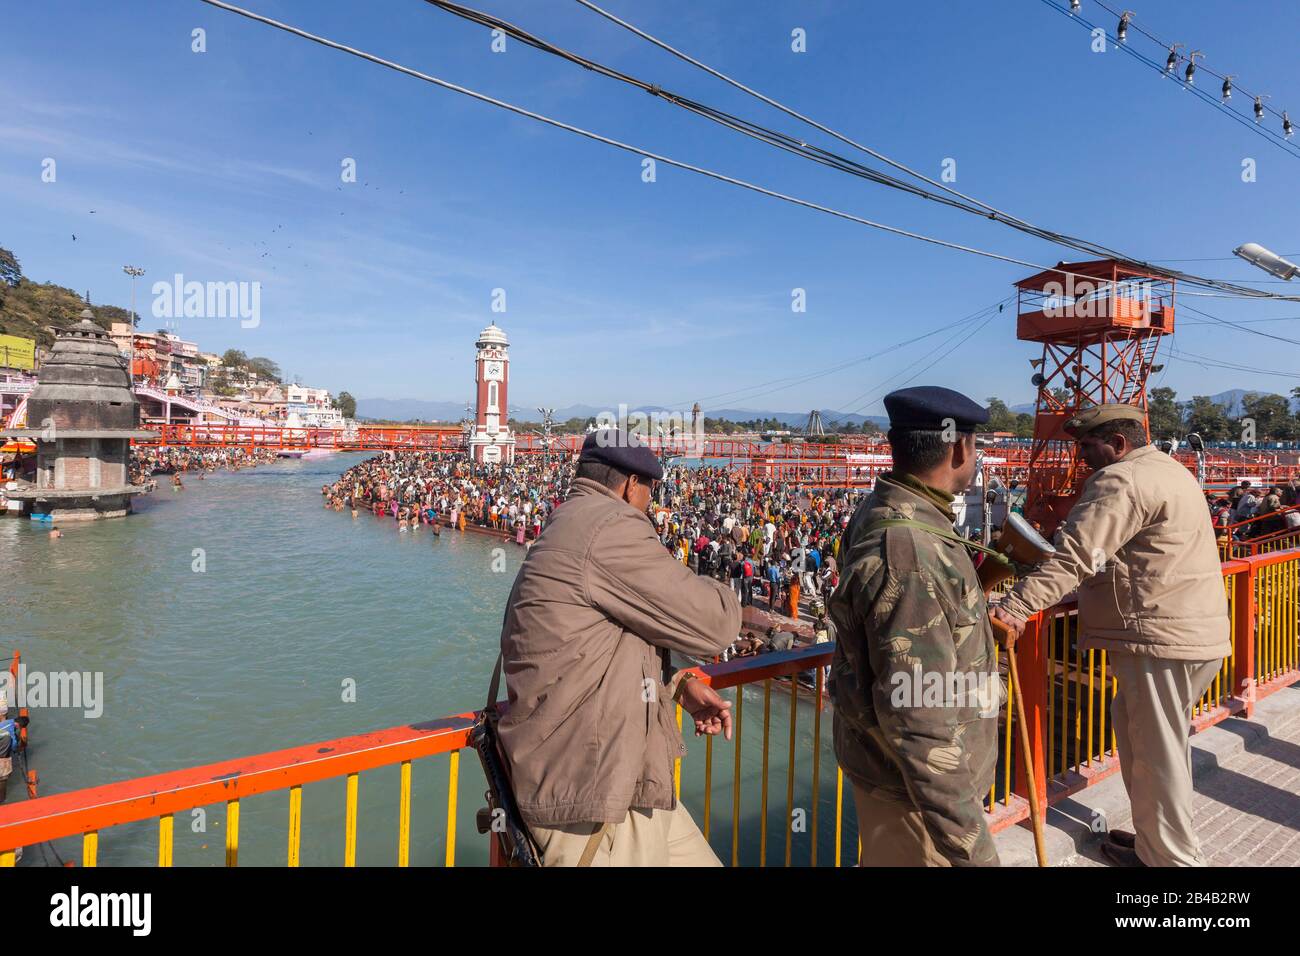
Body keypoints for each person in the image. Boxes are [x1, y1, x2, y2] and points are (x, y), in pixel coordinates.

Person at [992, 404, 1231, 868]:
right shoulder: (1170, 470)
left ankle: (1174, 864)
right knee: (1155, 750)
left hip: (1158, 639)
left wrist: (1016, 604)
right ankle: (1155, 847)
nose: (1081, 456)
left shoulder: (1120, 480)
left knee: (1155, 759)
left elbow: (1076, 555)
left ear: (1118, 444)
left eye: (1087, 445)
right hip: (1189, 634)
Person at [496, 428, 741, 867]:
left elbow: (601, 644)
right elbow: (715, 626)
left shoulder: (567, 521)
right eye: (650, 491)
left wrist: (680, 683)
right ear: (631, 485)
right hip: (593, 807)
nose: (652, 505)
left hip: (621, 785)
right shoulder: (610, 526)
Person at [828, 385, 1001, 866]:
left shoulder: (883, 511)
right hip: (915, 798)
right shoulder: (909, 553)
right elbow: (919, 722)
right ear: (959, 447)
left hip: (900, 782)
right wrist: (976, 849)